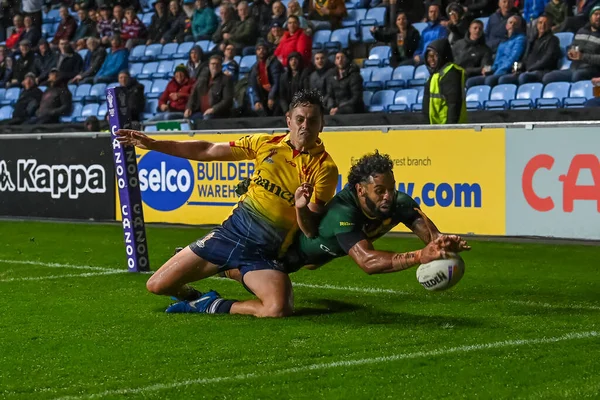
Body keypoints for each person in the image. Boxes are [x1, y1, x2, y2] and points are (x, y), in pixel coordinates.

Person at [116, 89, 339, 318]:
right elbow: (207, 150)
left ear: (321, 125)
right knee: (157, 286)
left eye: (312, 121)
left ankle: (208, 303)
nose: (305, 126)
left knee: (278, 309)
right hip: (229, 235)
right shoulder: (265, 144)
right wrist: (153, 144)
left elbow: (310, 230)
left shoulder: (325, 169)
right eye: (300, 119)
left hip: (263, 253)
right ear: (288, 120)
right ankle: (199, 292)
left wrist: (300, 207)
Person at [223, 151, 470, 283]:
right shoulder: (343, 212)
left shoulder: (400, 203)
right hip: (294, 251)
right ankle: (220, 268)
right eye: (380, 191)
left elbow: (433, 239)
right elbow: (368, 262)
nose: (388, 196)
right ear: (361, 190)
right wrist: (418, 257)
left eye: (391, 189)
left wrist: (443, 244)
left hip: (324, 252)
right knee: (250, 271)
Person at [422, 38, 467, 124]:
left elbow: (453, 104)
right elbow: (426, 107)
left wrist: (449, 129)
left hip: (449, 130)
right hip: (436, 129)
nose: (431, 59)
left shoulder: (451, 73)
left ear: (442, 55)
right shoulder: (434, 75)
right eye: (428, 56)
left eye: (434, 55)